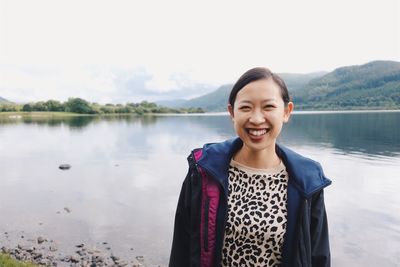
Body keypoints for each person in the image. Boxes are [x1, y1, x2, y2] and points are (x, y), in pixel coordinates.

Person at [169, 67, 331, 267]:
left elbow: (318, 256)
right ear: (232, 112)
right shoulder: (203, 171)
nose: (256, 119)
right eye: (245, 107)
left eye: (268, 107)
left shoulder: (307, 180)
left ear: (287, 112)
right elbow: (182, 248)